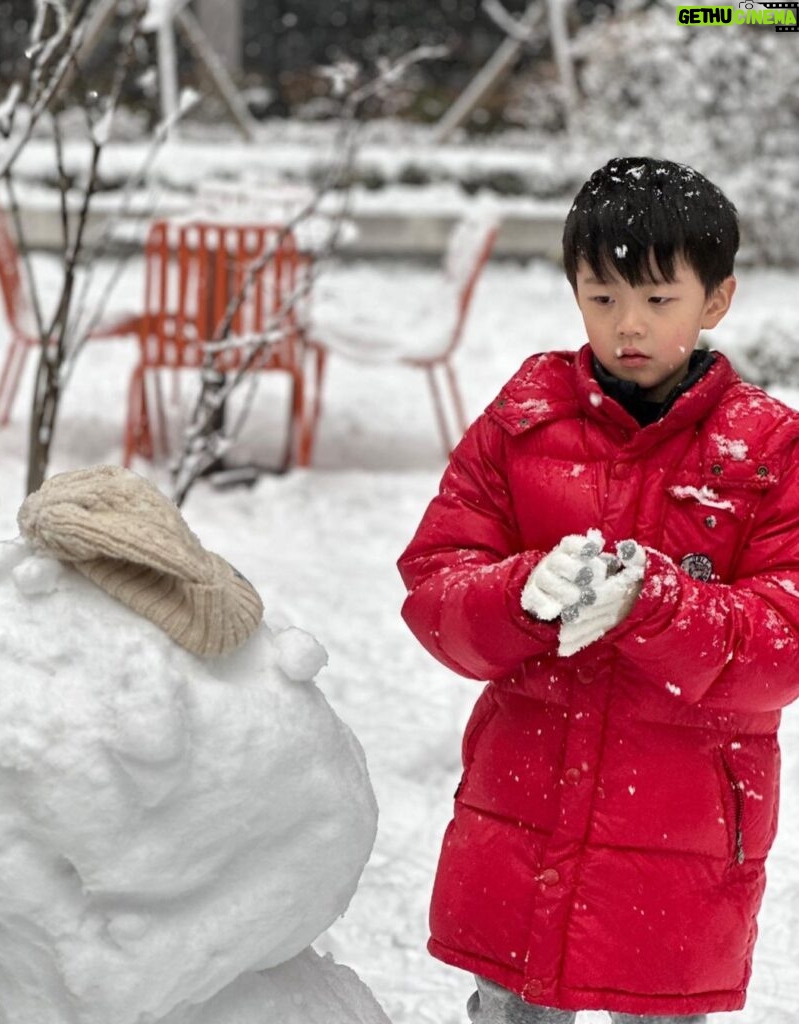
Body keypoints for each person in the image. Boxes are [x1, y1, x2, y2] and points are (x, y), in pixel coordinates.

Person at [397, 156, 799, 1024]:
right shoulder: (523, 421)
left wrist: (660, 607)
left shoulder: (765, 451)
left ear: (715, 301)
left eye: (658, 301)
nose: (627, 325)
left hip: (679, 838)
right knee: (511, 1008)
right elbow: (435, 585)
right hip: (525, 817)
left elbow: (785, 642)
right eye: (602, 296)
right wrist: (516, 596)